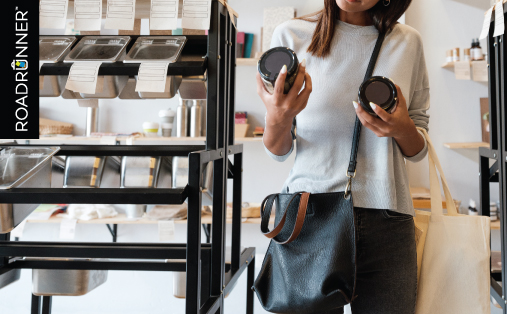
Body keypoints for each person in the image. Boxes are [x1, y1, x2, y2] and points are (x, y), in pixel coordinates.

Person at [256, 0, 429, 313]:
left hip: (387, 221)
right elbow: (278, 149)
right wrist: (278, 119)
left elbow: (417, 150)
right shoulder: (291, 36)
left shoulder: (407, 42)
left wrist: (402, 129)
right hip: (309, 216)